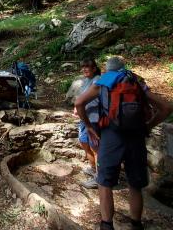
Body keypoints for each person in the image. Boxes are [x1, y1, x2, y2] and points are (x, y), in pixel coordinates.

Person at [75, 56, 173, 230]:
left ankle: (107, 225)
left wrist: (89, 127)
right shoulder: (136, 81)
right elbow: (166, 107)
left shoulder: (104, 81)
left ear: (108, 68)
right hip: (136, 137)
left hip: (111, 136)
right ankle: (136, 224)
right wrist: (148, 126)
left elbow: (79, 102)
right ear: (123, 68)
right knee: (135, 185)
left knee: (105, 183)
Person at [74, 58, 101, 189]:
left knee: (96, 148)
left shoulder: (97, 80)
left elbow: (92, 100)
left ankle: (99, 178)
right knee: (83, 141)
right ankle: (93, 169)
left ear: (94, 69)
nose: (84, 69)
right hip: (84, 118)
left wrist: (80, 105)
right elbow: (81, 97)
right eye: (83, 67)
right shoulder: (86, 81)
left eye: (87, 67)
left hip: (94, 119)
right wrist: (77, 108)